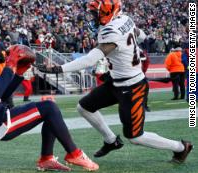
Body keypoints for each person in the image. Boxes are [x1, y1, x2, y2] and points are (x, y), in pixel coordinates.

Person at [36, 0, 193, 164]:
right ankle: (111, 140)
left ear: (107, 12)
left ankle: (181, 147)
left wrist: (58, 69)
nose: (91, 17)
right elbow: (142, 35)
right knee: (84, 107)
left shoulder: (111, 32)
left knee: (135, 136)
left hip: (132, 87)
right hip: (117, 81)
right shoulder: (125, 19)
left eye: (95, 14)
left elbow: (90, 60)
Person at [0, 29, 98, 171]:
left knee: (50, 111)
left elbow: (1, 96)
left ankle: (46, 159)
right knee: (49, 107)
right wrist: (11, 64)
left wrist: (18, 73)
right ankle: (74, 153)